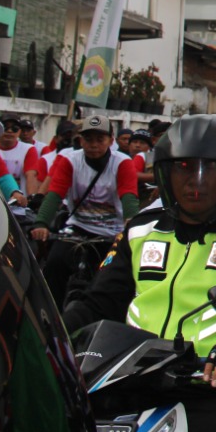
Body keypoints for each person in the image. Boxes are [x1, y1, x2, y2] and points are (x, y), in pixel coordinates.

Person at [62, 114, 216, 432]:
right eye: (183, 169)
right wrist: (57, 331)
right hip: (131, 373)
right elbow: (102, 299)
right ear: (165, 175)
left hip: (210, 376)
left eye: (210, 169)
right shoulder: (140, 229)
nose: (196, 181)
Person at [31, 115, 140, 307]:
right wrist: (41, 223)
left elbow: (128, 195)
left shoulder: (122, 162)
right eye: (88, 139)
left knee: (116, 280)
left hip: (112, 233)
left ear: (111, 141)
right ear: (81, 141)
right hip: (78, 228)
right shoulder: (69, 160)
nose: (94, 145)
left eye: (100, 139)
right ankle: (50, 317)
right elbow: (55, 194)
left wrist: (131, 221)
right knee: (54, 265)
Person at [0, 114, 41, 197]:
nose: (9, 131)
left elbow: (31, 176)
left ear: (19, 131)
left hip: (18, 204)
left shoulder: (28, 149)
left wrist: (32, 197)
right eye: (5, 127)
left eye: (14, 128)